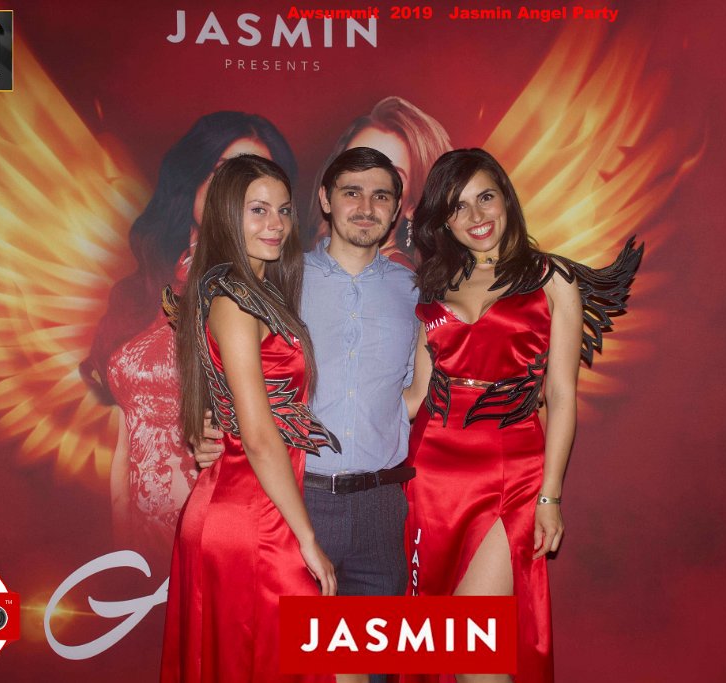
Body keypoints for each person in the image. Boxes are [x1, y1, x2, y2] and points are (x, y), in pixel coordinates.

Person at [402, 149, 642, 683]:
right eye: (457, 207)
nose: (475, 216)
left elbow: (560, 396)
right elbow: (415, 395)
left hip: (508, 475)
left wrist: (550, 496)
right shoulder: (434, 285)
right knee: (438, 643)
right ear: (443, 221)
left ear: (506, 199)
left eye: (485, 197)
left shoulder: (551, 277)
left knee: (473, 649)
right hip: (432, 476)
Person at [195, 147, 419, 683]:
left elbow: (414, 396)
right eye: (351, 192)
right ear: (324, 199)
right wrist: (217, 427)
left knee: (374, 673)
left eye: (381, 196)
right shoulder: (280, 281)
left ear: (396, 209)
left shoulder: (415, 292)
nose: (366, 207)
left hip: (382, 508)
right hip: (297, 500)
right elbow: (236, 374)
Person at [160, 154, 362, 683]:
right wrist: (308, 540)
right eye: (258, 210)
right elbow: (258, 436)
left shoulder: (256, 290)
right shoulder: (234, 299)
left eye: (284, 210)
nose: (275, 224)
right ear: (227, 214)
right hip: (249, 519)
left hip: (260, 507)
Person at [78, 111, 296, 558]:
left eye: (257, 181)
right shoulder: (143, 287)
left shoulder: (264, 295)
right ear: (192, 179)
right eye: (226, 175)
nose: (239, 194)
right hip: (138, 536)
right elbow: (127, 427)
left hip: (219, 524)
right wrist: (122, 546)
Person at [305, 97, 452, 268]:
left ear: (412, 205)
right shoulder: (311, 265)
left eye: (389, 175)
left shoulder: (400, 277)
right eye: (356, 164)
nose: (365, 186)